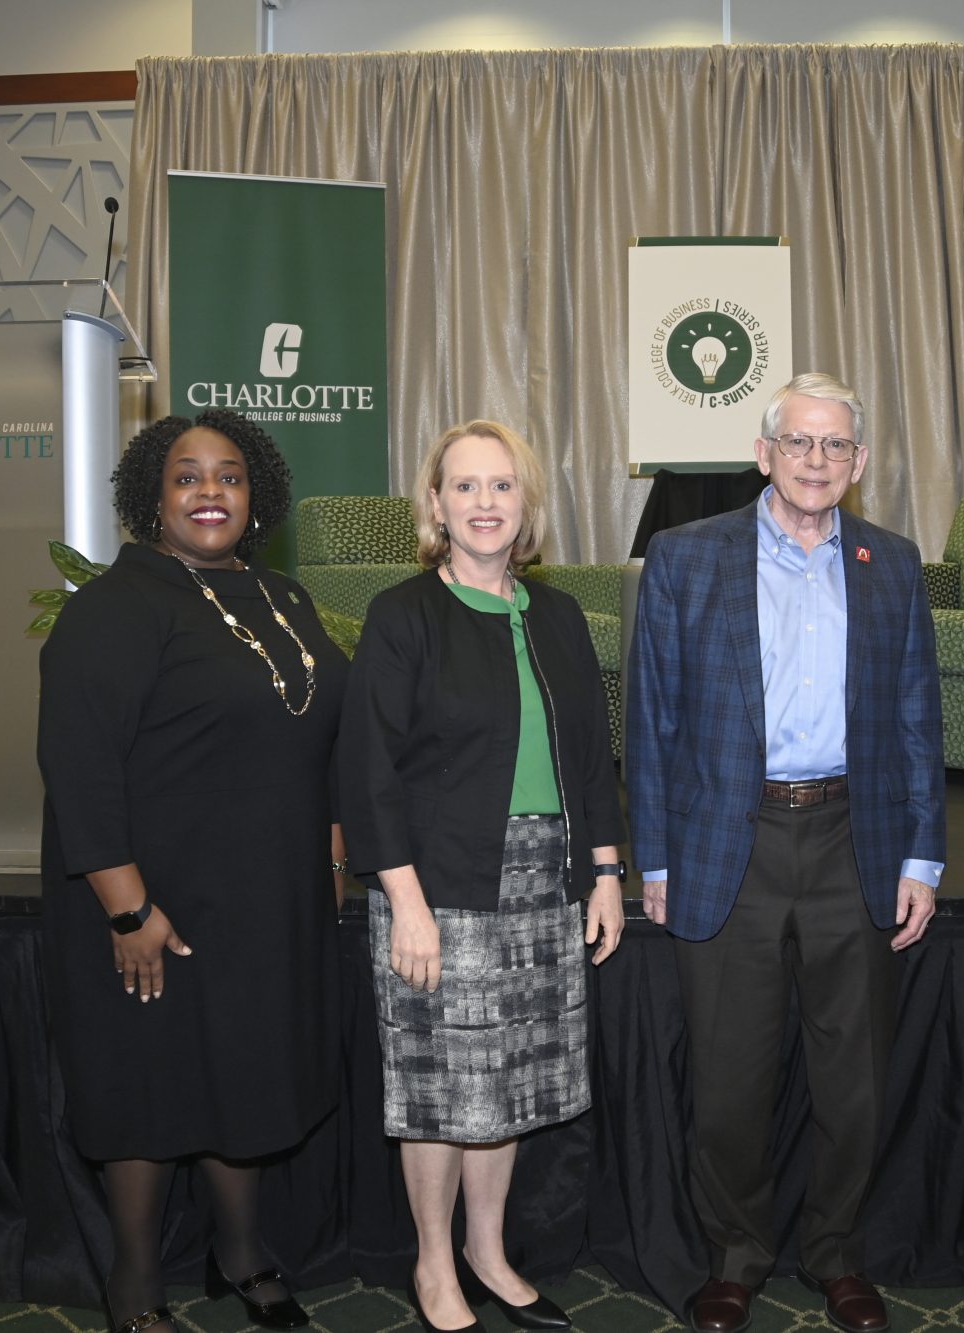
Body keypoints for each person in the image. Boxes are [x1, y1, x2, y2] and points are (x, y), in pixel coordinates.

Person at [626, 372, 945, 1333]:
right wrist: (657, 858)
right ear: (764, 454)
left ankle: (837, 1254)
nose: (817, 461)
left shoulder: (891, 560)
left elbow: (916, 716)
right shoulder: (685, 557)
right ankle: (734, 1258)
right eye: (799, 443)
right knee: (729, 1080)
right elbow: (652, 719)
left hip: (857, 837)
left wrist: (923, 856)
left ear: (859, 461)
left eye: (836, 446)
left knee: (854, 1080)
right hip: (731, 841)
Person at [38, 409, 347, 1333]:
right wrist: (129, 911)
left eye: (230, 475)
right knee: (151, 1086)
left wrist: (331, 851)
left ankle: (240, 1252)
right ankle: (133, 1287)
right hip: (155, 900)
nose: (210, 491)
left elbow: (324, 734)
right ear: (151, 495)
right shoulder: (114, 606)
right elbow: (77, 765)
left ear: (258, 497)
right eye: (186, 476)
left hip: (266, 897)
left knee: (244, 1075)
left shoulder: (283, 596)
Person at [339, 419, 626, 1333]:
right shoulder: (401, 615)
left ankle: (488, 1250)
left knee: (507, 1084)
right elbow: (368, 770)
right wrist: (404, 901)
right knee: (441, 1085)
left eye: (502, 486)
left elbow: (590, 756)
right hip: (439, 882)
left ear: (525, 503)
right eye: (465, 486)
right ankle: (433, 1259)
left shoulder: (560, 615)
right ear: (435, 505)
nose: (485, 503)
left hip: (546, 879)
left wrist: (606, 871)